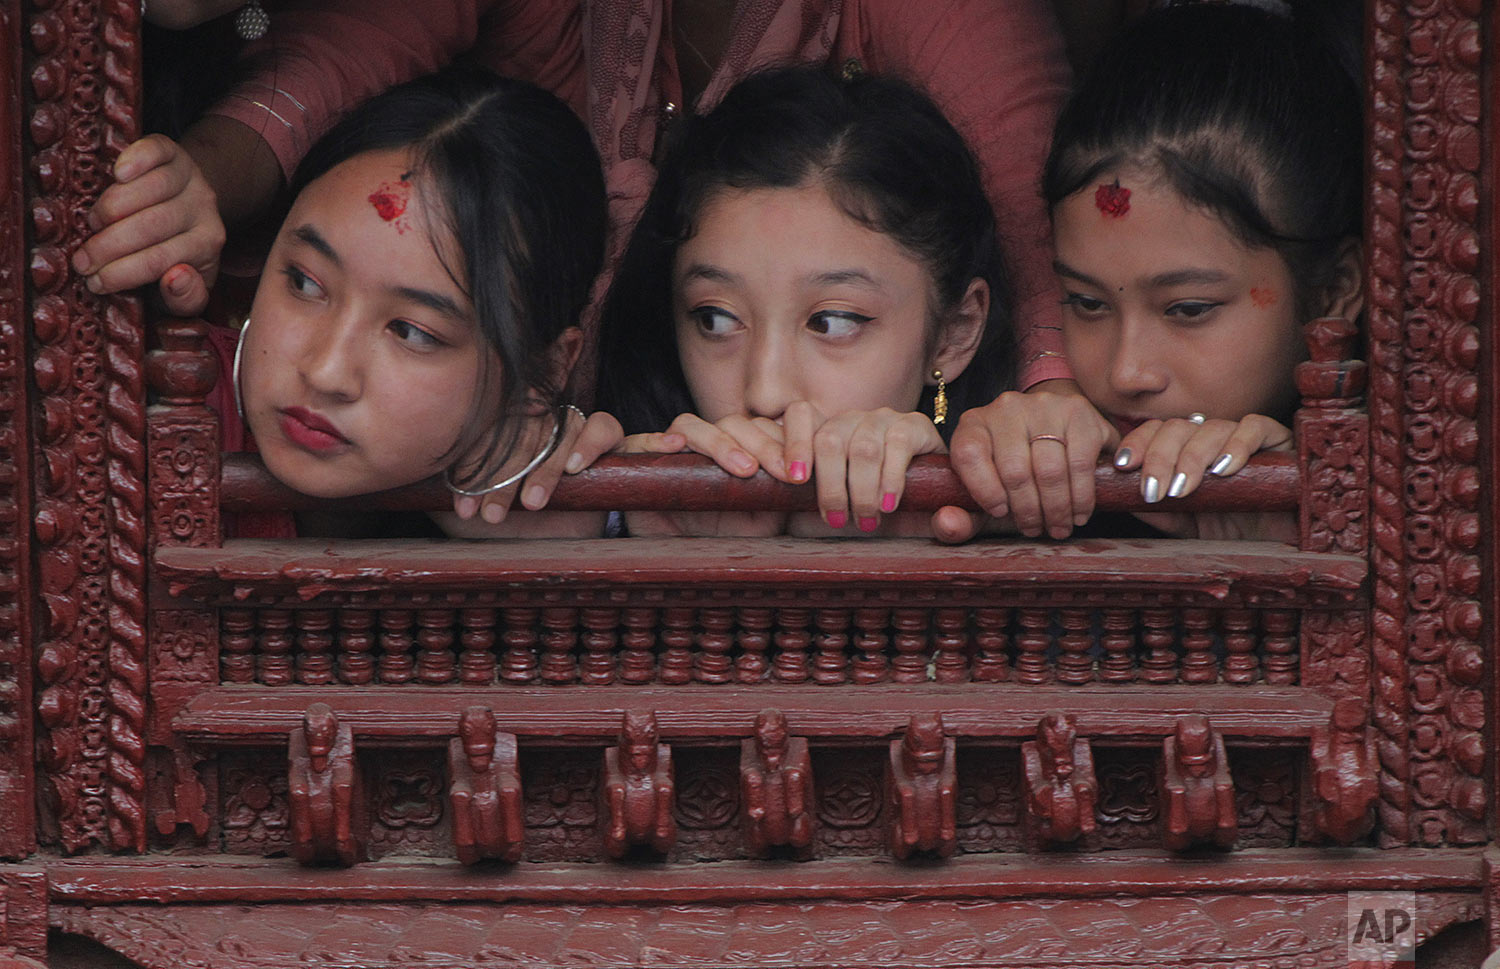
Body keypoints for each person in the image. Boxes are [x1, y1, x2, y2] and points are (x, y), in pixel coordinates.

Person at [71, 0, 1074, 403]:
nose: (771, 383)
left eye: (836, 319)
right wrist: (195, 179)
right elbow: (329, 69)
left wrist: (1050, 401)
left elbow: (1034, 207)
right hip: (534, 493)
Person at [938, 3, 1363, 542]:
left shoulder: (1420, 489)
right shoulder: (1034, 459)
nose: (1126, 373)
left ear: (1337, 290)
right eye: (1087, 303)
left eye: (1188, 309)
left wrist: (1292, 530)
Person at [594, 66, 1013, 537]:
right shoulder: (618, 506)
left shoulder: (1015, 515)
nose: (765, 394)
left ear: (954, 332)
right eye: (715, 319)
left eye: (832, 322)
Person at [218, 67, 618, 536]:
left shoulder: (548, 524)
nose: (326, 372)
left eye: (412, 332)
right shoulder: (146, 415)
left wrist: (563, 550)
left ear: (545, 370)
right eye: (305, 283)